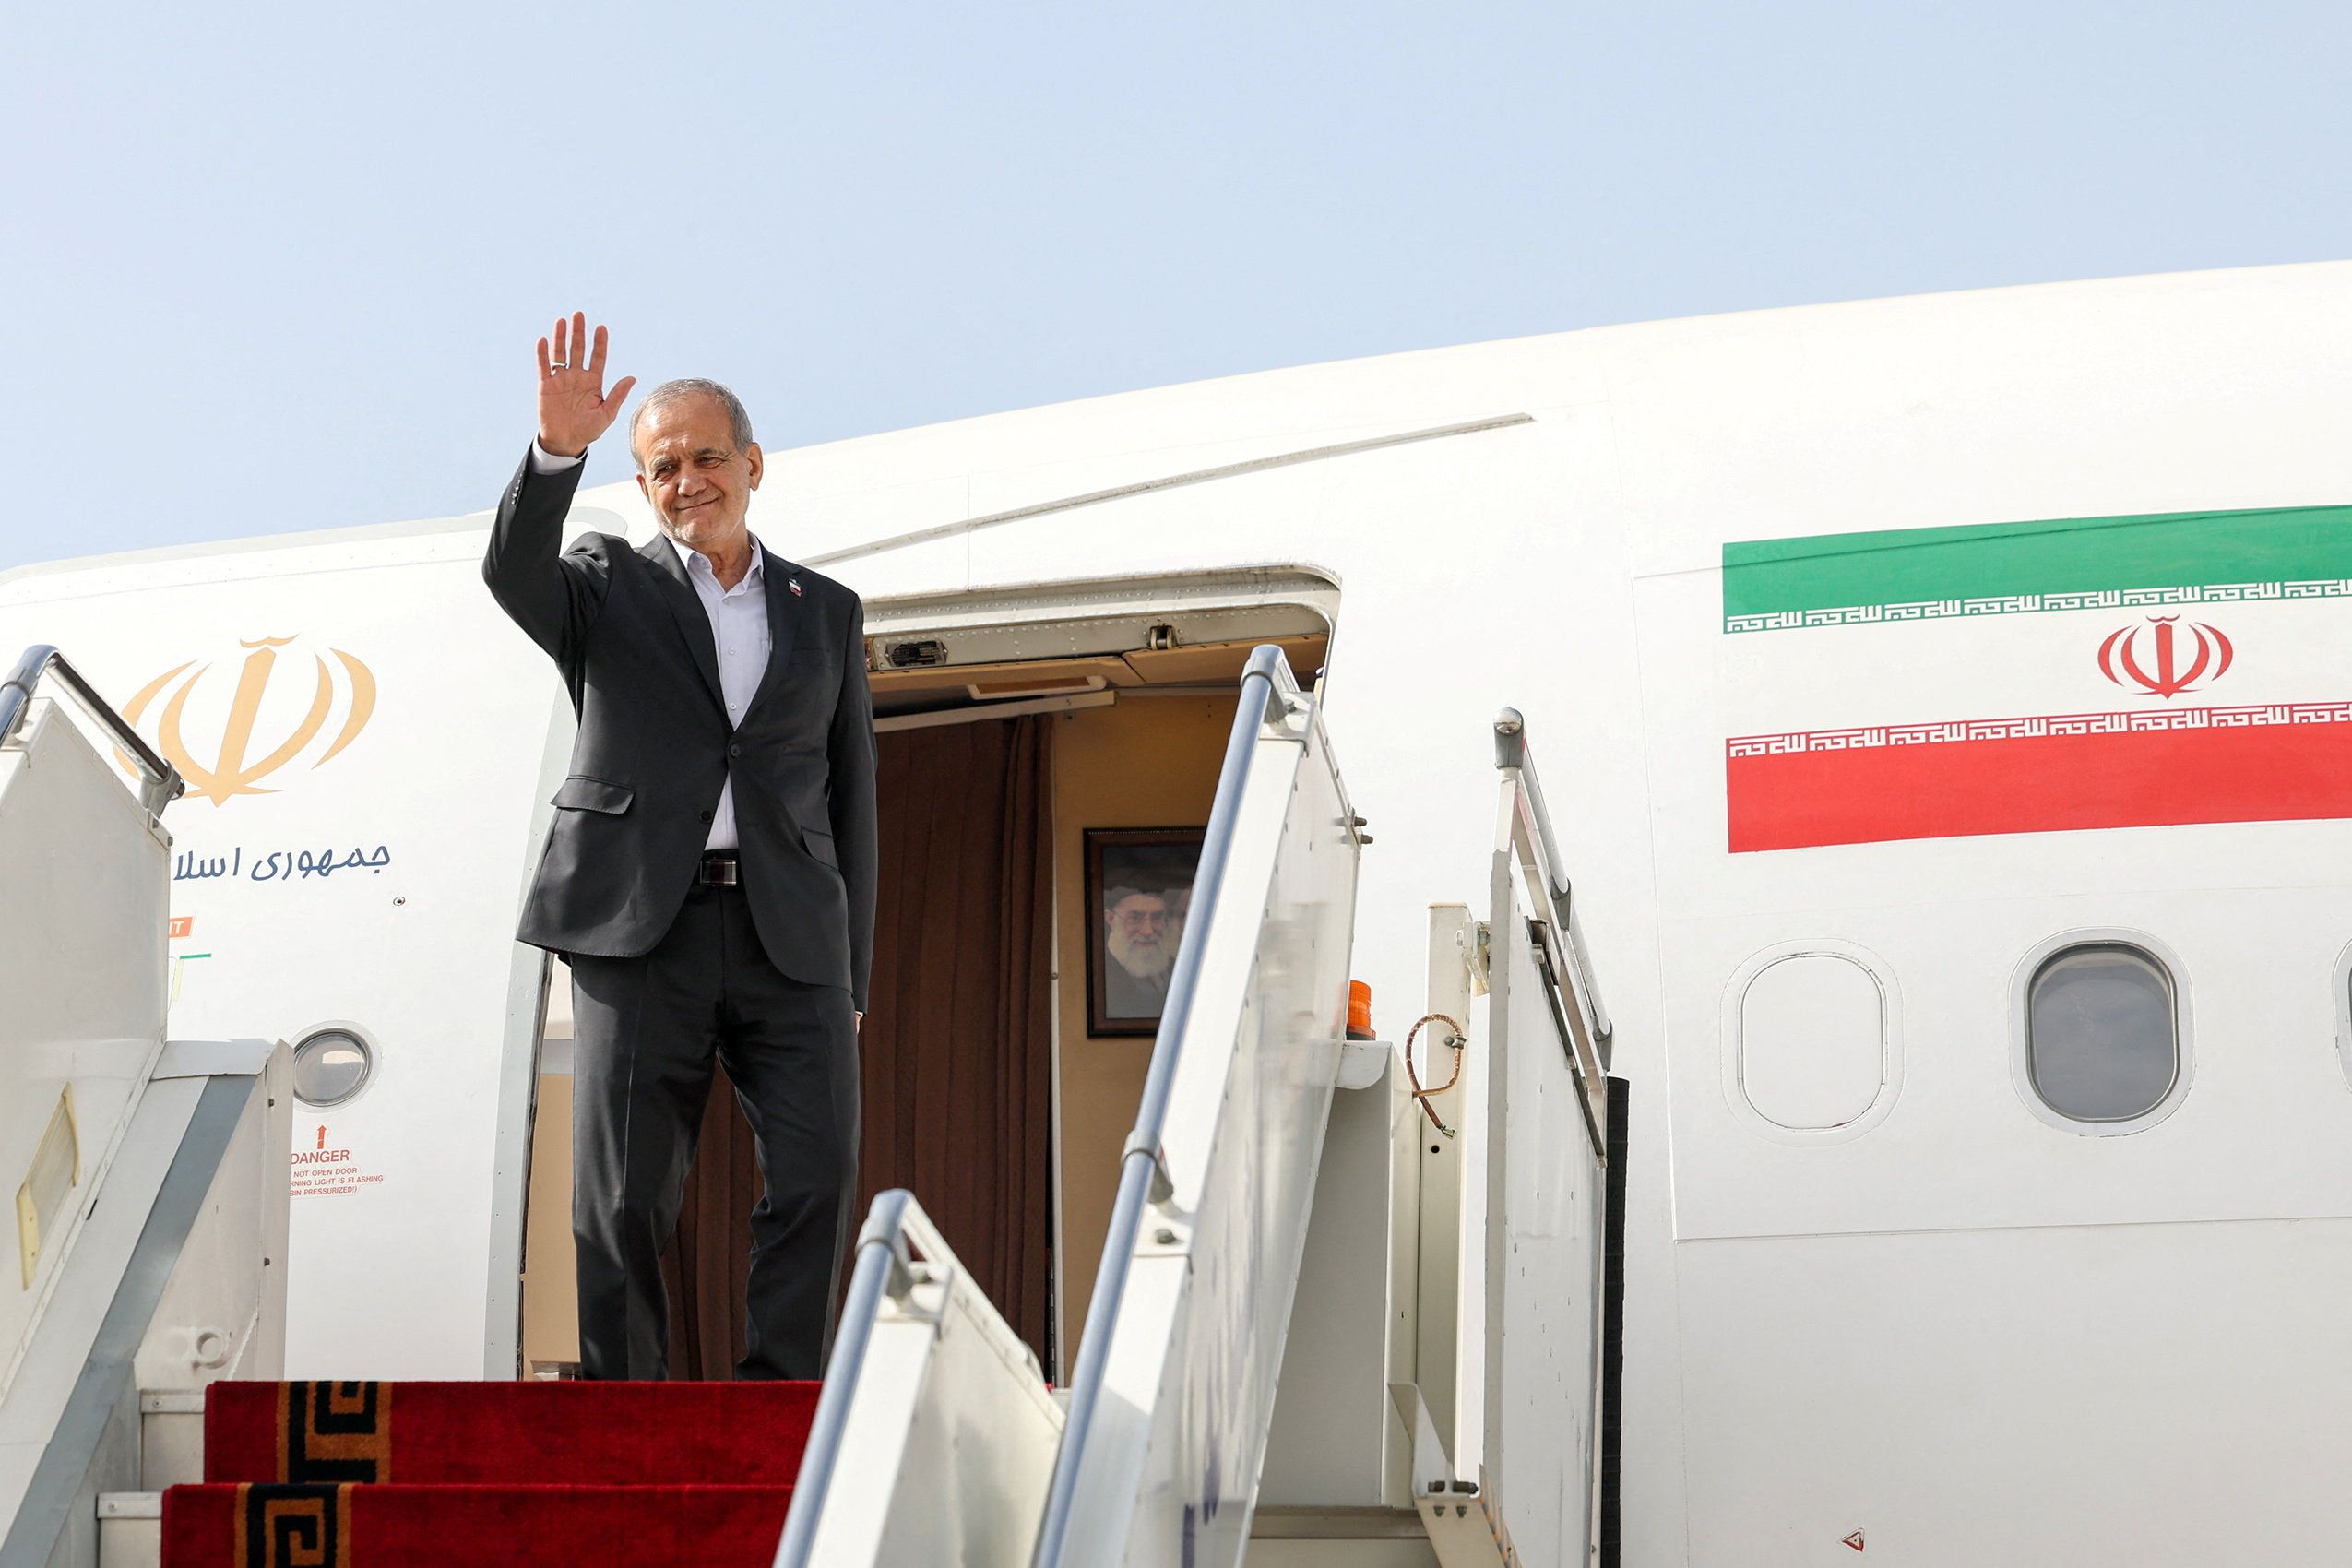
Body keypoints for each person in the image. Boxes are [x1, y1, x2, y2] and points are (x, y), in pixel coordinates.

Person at [482, 313, 876, 1382]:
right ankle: (626, 1401)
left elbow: (851, 800)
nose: (688, 479)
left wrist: (855, 971)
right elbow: (512, 570)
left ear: (753, 463)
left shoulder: (827, 611)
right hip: (638, 927)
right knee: (620, 1194)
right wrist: (557, 453)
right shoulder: (607, 580)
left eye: (708, 457)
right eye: (664, 465)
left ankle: (778, 1394)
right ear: (645, 483)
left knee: (817, 1174)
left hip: (789, 936)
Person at [1101, 885, 1175, 1017]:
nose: (1148, 931)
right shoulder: (1100, 974)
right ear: (1110, 919)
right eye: (1135, 918)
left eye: (1157, 918)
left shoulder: (1178, 968)